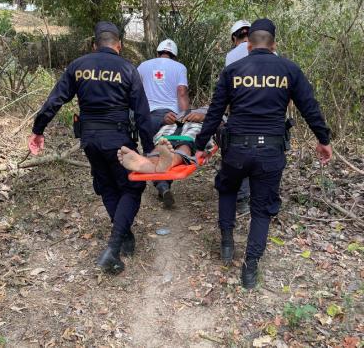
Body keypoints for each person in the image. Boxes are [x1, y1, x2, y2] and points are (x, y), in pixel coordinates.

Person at [194, 19, 332, 289]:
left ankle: (226, 243)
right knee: (261, 209)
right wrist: (323, 139)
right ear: (274, 45)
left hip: (235, 149)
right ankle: (250, 269)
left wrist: (200, 144)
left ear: (248, 45)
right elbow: (309, 107)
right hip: (270, 151)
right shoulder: (289, 69)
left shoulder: (233, 70)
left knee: (228, 188)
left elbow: (214, 112)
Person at [28, 21, 155, 274]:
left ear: (95, 44)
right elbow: (142, 113)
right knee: (132, 186)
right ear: (118, 45)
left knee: (106, 185)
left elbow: (55, 100)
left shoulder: (78, 66)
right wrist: (149, 148)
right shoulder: (128, 69)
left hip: (89, 140)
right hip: (118, 139)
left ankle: (125, 235)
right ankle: (113, 248)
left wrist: (38, 129)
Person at [136, 38, 190, 208]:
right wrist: (184, 117)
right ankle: (164, 184)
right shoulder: (179, 67)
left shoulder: (143, 66)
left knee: (150, 152)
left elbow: (135, 91)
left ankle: (161, 185)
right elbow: (181, 93)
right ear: (174, 55)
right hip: (170, 117)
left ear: (158, 53)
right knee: (168, 151)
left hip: (147, 116)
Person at [118, 107, 215, 175]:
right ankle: (147, 163)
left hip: (198, 126)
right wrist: (167, 118)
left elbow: (220, 123)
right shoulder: (182, 111)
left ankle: (168, 161)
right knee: (163, 142)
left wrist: (204, 117)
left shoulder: (215, 111)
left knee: (186, 143)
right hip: (173, 125)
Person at [224, 20, 252, 214]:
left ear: (235, 38)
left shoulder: (232, 55)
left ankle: (242, 200)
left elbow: (228, 86)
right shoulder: (271, 53)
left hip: (241, 113)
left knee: (240, 154)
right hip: (269, 116)